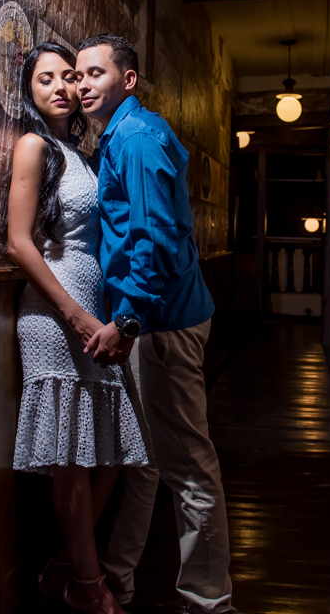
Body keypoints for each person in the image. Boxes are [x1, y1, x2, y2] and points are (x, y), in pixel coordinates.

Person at [75, 34, 237, 614]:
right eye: (78, 75)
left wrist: (128, 318)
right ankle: (117, 581)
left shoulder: (137, 138)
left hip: (159, 323)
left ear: (129, 80)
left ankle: (209, 605)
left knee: (189, 468)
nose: (83, 84)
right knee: (144, 464)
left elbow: (155, 237)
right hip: (156, 321)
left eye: (95, 73)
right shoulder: (120, 136)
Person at [1, 42, 148, 614]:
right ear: (29, 92)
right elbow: (19, 242)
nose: (62, 87)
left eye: (68, 76)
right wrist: (73, 313)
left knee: (109, 452)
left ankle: (66, 566)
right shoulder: (33, 145)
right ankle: (90, 587)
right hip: (54, 311)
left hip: (94, 310)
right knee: (71, 454)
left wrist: (105, 314)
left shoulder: (82, 154)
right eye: (46, 80)